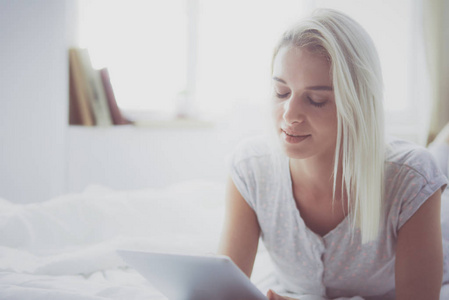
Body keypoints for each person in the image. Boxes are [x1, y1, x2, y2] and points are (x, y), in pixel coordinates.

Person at [218, 8, 449, 300]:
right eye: (281, 92)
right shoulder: (250, 167)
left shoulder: (413, 178)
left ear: (357, 105)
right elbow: (222, 289)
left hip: (425, 197)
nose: (289, 115)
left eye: (315, 100)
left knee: (437, 158)